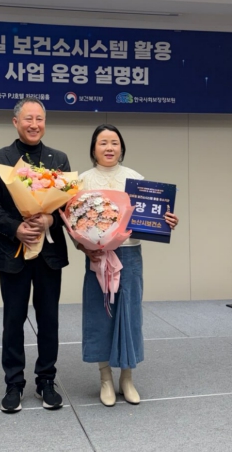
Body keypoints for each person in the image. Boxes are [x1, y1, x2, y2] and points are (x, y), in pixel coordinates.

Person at [0, 97, 70, 413]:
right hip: (13, 252)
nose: (34, 124)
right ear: (15, 122)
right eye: (28, 119)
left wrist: (50, 220)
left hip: (49, 254)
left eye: (39, 119)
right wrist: (16, 228)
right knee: (13, 320)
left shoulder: (58, 159)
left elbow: (69, 206)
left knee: (49, 320)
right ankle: (14, 383)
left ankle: (46, 380)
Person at [78, 124, 179, 407]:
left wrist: (167, 221)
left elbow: (152, 216)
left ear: (121, 148)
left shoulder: (136, 179)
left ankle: (127, 377)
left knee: (130, 313)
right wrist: (85, 247)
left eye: (114, 142)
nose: (109, 147)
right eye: (103, 142)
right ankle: (105, 378)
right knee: (100, 313)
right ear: (93, 148)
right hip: (98, 257)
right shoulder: (83, 180)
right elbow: (73, 220)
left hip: (130, 255)